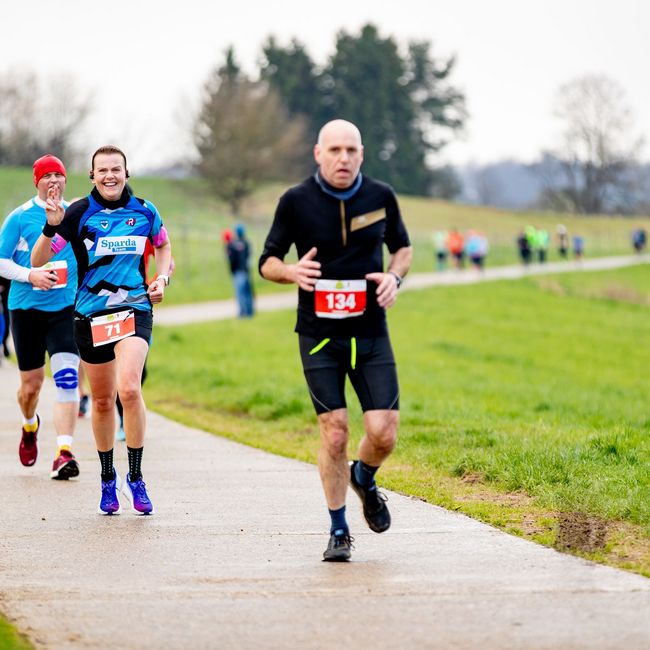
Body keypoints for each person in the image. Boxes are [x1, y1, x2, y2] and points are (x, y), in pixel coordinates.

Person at [259, 119, 412, 562]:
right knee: (335, 431)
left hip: (369, 331)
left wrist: (395, 278)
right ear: (318, 153)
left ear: (362, 154)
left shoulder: (380, 197)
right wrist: (290, 272)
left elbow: (402, 248)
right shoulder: (296, 201)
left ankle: (364, 476)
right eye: (335, 150)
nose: (343, 158)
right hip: (320, 336)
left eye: (351, 150)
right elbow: (267, 261)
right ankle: (339, 529)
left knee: (383, 432)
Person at [31, 145, 172, 516]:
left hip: (135, 309)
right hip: (90, 315)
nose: (110, 176)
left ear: (126, 172)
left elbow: (163, 244)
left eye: (116, 169)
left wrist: (163, 277)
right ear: (92, 176)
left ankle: (136, 477)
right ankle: (108, 479)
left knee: (129, 387)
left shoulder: (144, 210)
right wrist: (51, 225)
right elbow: (38, 260)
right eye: (102, 170)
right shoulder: (77, 214)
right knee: (104, 400)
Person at [0, 154, 81, 479]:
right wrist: (29, 276)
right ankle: (30, 424)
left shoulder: (75, 213)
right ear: (37, 182)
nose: (53, 181)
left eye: (58, 176)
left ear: (65, 181)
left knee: (66, 378)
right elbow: (1, 261)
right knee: (30, 387)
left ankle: (64, 452)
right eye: (46, 176)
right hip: (26, 310)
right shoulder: (20, 217)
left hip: (65, 309)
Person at [226, 223, 255, 318]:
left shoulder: (232, 245)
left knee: (240, 293)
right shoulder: (247, 243)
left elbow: (231, 260)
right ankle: (250, 312)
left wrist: (232, 270)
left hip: (238, 271)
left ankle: (243, 313)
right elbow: (249, 257)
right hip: (246, 271)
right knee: (248, 292)